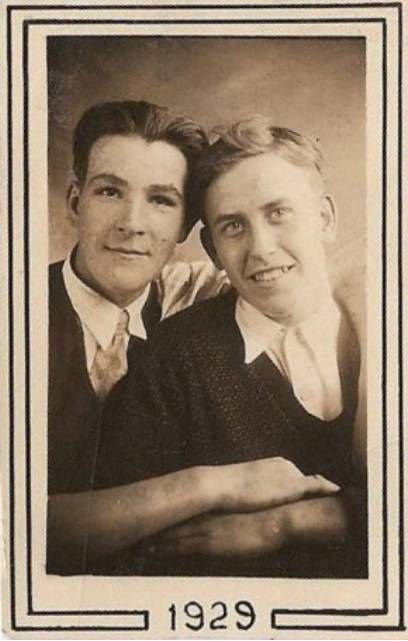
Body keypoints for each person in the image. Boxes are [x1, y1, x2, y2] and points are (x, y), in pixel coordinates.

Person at [47, 103, 337, 574]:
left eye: (162, 200)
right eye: (110, 191)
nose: (132, 223)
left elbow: (314, 279)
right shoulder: (17, 319)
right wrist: (211, 486)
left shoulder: (197, 287)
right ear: (76, 202)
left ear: (186, 226)